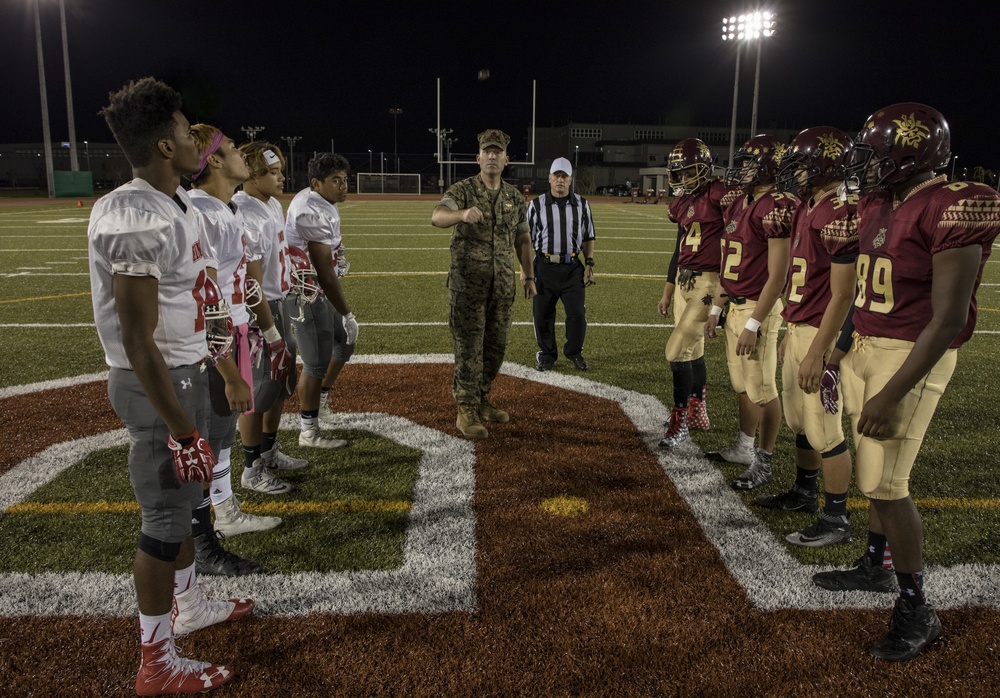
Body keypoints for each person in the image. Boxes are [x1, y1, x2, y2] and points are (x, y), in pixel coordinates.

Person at [812, 103, 1000, 662]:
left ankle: (917, 607)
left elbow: (946, 319)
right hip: (868, 345)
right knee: (874, 478)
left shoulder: (953, 205)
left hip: (910, 355)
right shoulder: (878, 203)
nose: (863, 165)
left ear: (908, 155)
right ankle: (876, 563)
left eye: (874, 155)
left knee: (886, 484)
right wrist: (840, 347)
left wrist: (892, 391)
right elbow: (860, 295)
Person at [88, 77, 250, 695]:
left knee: (181, 510)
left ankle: (188, 605)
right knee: (163, 520)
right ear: (162, 145)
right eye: (186, 133)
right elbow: (136, 339)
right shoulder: (134, 214)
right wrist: (182, 430)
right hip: (157, 385)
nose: (197, 143)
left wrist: (221, 367)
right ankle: (155, 662)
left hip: (186, 373)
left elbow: (197, 298)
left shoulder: (174, 203)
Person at [752, 127, 859, 548]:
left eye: (801, 165)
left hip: (821, 331)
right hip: (800, 327)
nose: (793, 174)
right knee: (800, 420)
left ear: (824, 165)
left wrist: (819, 351)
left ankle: (836, 518)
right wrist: (792, 331)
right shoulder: (807, 207)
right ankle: (803, 491)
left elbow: (844, 293)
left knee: (825, 428)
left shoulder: (839, 209)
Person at [704, 134, 796, 489]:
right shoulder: (739, 203)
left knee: (762, 390)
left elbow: (778, 274)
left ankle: (764, 461)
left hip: (759, 308)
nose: (741, 170)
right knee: (742, 386)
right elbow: (729, 263)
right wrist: (716, 307)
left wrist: (755, 322)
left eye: (749, 163)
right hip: (735, 307)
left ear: (770, 166)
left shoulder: (777, 205)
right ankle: (744, 447)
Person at [431, 129, 534, 439]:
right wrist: (461, 214)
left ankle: (482, 399)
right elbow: (437, 217)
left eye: (497, 152)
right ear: (478, 158)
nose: (492, 156)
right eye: (486, 151)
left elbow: (523, 239)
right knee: (469, 348)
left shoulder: (515, 197)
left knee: (496, 348)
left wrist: (528, 275)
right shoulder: (462, 190)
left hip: (502, 288)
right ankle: (465, 410)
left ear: (506, 159)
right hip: (468, 288)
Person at [658, 138, 738, 449]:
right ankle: (697, 409)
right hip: (683, 281)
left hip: (708, 282)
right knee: (694, 350)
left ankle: (680, 421)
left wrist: (724, 292)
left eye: (690, 171)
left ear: (704, 168)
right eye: (679, 172)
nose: (684, 178)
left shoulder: (720, 194)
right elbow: (678, 249)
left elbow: (736, 239)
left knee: (676, 350)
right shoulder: (679, 204)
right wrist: (667, 290)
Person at [284, 152, 358, 449]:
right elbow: (325, 273)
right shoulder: (310, 211)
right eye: (335, 181)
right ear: (316, 183)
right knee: (315, 363)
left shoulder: (318, 199)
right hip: (304, 291)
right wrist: (347, 312)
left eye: (345, 180)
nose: (343, 186)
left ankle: (322, 400)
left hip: (315, 286)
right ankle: (308, 430)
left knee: (345, 342)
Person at [527, 156, 596, 372]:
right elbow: (525, 239)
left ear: (570, 179)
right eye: (556, 175)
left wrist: (589, 264)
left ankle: (574, 352)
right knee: (543, 314)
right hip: (544, 266)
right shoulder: (536, 205)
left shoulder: (582, 204)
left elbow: (588, 237)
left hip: (572, 267)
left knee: (577, 315)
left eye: (564, 176)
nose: (560, 180)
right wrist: (526, 270)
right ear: (549, 178)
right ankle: (547, 355)